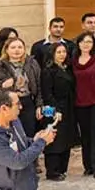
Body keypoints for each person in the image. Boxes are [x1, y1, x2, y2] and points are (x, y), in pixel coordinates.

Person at [0, 37, 40, 139]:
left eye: (20, 47)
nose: (17, 50)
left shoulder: (32, 64)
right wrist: (1, 85)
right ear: (7, 50)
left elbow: (39, 85)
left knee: (29, 134)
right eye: (13, 47)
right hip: (9, 104)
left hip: (28, 103)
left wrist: (39, 105)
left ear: (24, 49)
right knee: (13, 136)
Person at [37, 44, 75, 182]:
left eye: (64, 51)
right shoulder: (48, 71)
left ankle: (62, 169)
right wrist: (55, 110)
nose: (62, 54)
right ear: (52, 54)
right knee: (54, 139)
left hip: (68, 108)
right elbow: (47, 94)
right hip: (52, 109)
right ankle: (52, 171)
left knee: (66, 139)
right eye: (58, 52)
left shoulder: (67, 68)